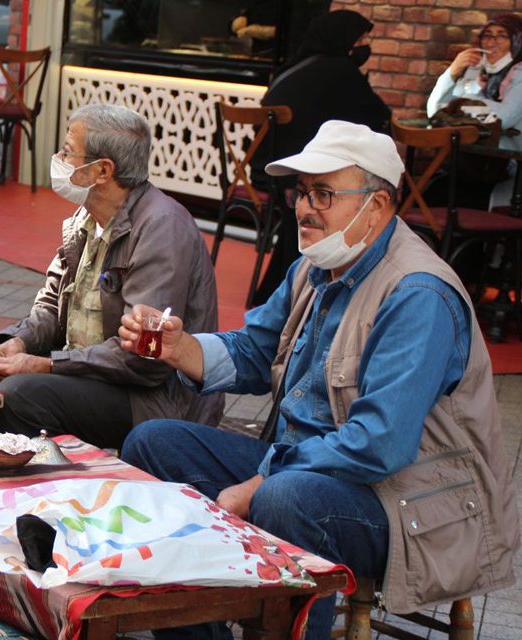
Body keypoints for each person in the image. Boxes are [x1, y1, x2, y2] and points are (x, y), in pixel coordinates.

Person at [118, 121, 520, 640]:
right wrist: (183, 349)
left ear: (376, 206)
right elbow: (253, 352)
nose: (305, 208)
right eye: (301, 192)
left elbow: (379, 445)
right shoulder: (317, 266)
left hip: (408, 503)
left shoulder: (418, 294)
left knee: (286, 499)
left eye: (323, 193)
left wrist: (259, 483)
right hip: (302, 465)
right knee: (152, 443)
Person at [0, 104, 222, 451]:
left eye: (68, 152)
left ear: (103, 170)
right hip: (81, 365)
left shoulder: (162, 228)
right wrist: (20, 342)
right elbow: (51, 304)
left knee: (20, 394)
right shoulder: (86, 218)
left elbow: (144, 359)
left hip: (149, 397)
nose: (59, 159)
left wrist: (45, 365)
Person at [249, 9, 391, 307]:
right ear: (343, 39)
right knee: (332, 193)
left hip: (267, 172)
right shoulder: (340, 71)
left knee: (313, 193)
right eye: (361, 39)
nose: (364, 47)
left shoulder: (295, 66)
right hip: (296, 180)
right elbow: (379, 116)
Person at [427, 13, 522, 208]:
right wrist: (452, 72)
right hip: (477, 165)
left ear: (516, 41)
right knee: (436, 189)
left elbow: (504, 118)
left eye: (501, 36)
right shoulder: (479, 71)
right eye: (487, 35)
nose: (491, 42)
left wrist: (464, 103)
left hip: (511, 171)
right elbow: (435, 111)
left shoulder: (519, 73)